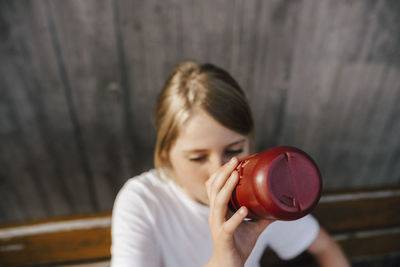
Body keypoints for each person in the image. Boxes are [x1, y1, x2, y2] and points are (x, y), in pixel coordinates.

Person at [110, 61, 350, 267]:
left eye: (234, 151)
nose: (218, 170)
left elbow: (325, 248)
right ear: (165, 155)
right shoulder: (143, 201)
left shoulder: (262, 194)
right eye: (197, 157)